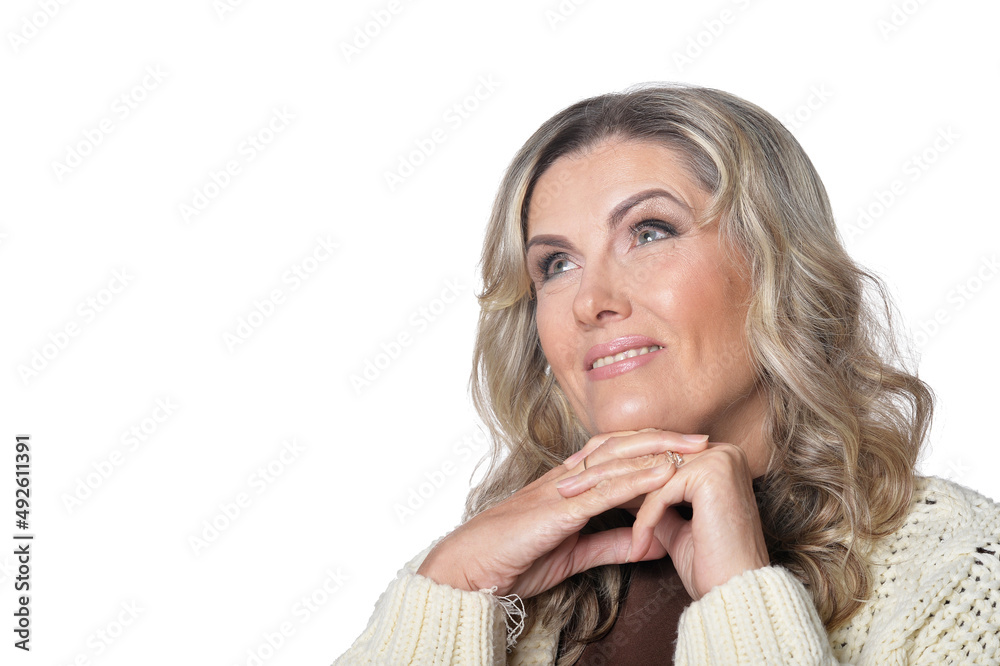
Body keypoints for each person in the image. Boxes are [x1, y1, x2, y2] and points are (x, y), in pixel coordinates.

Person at [334, 84, 1000, 664]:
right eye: (556, 265)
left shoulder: (959, 574)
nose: (590, 301)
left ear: (776, 265)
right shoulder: (474, 579)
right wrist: (450, 592)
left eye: (649, 232)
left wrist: (741, 595)